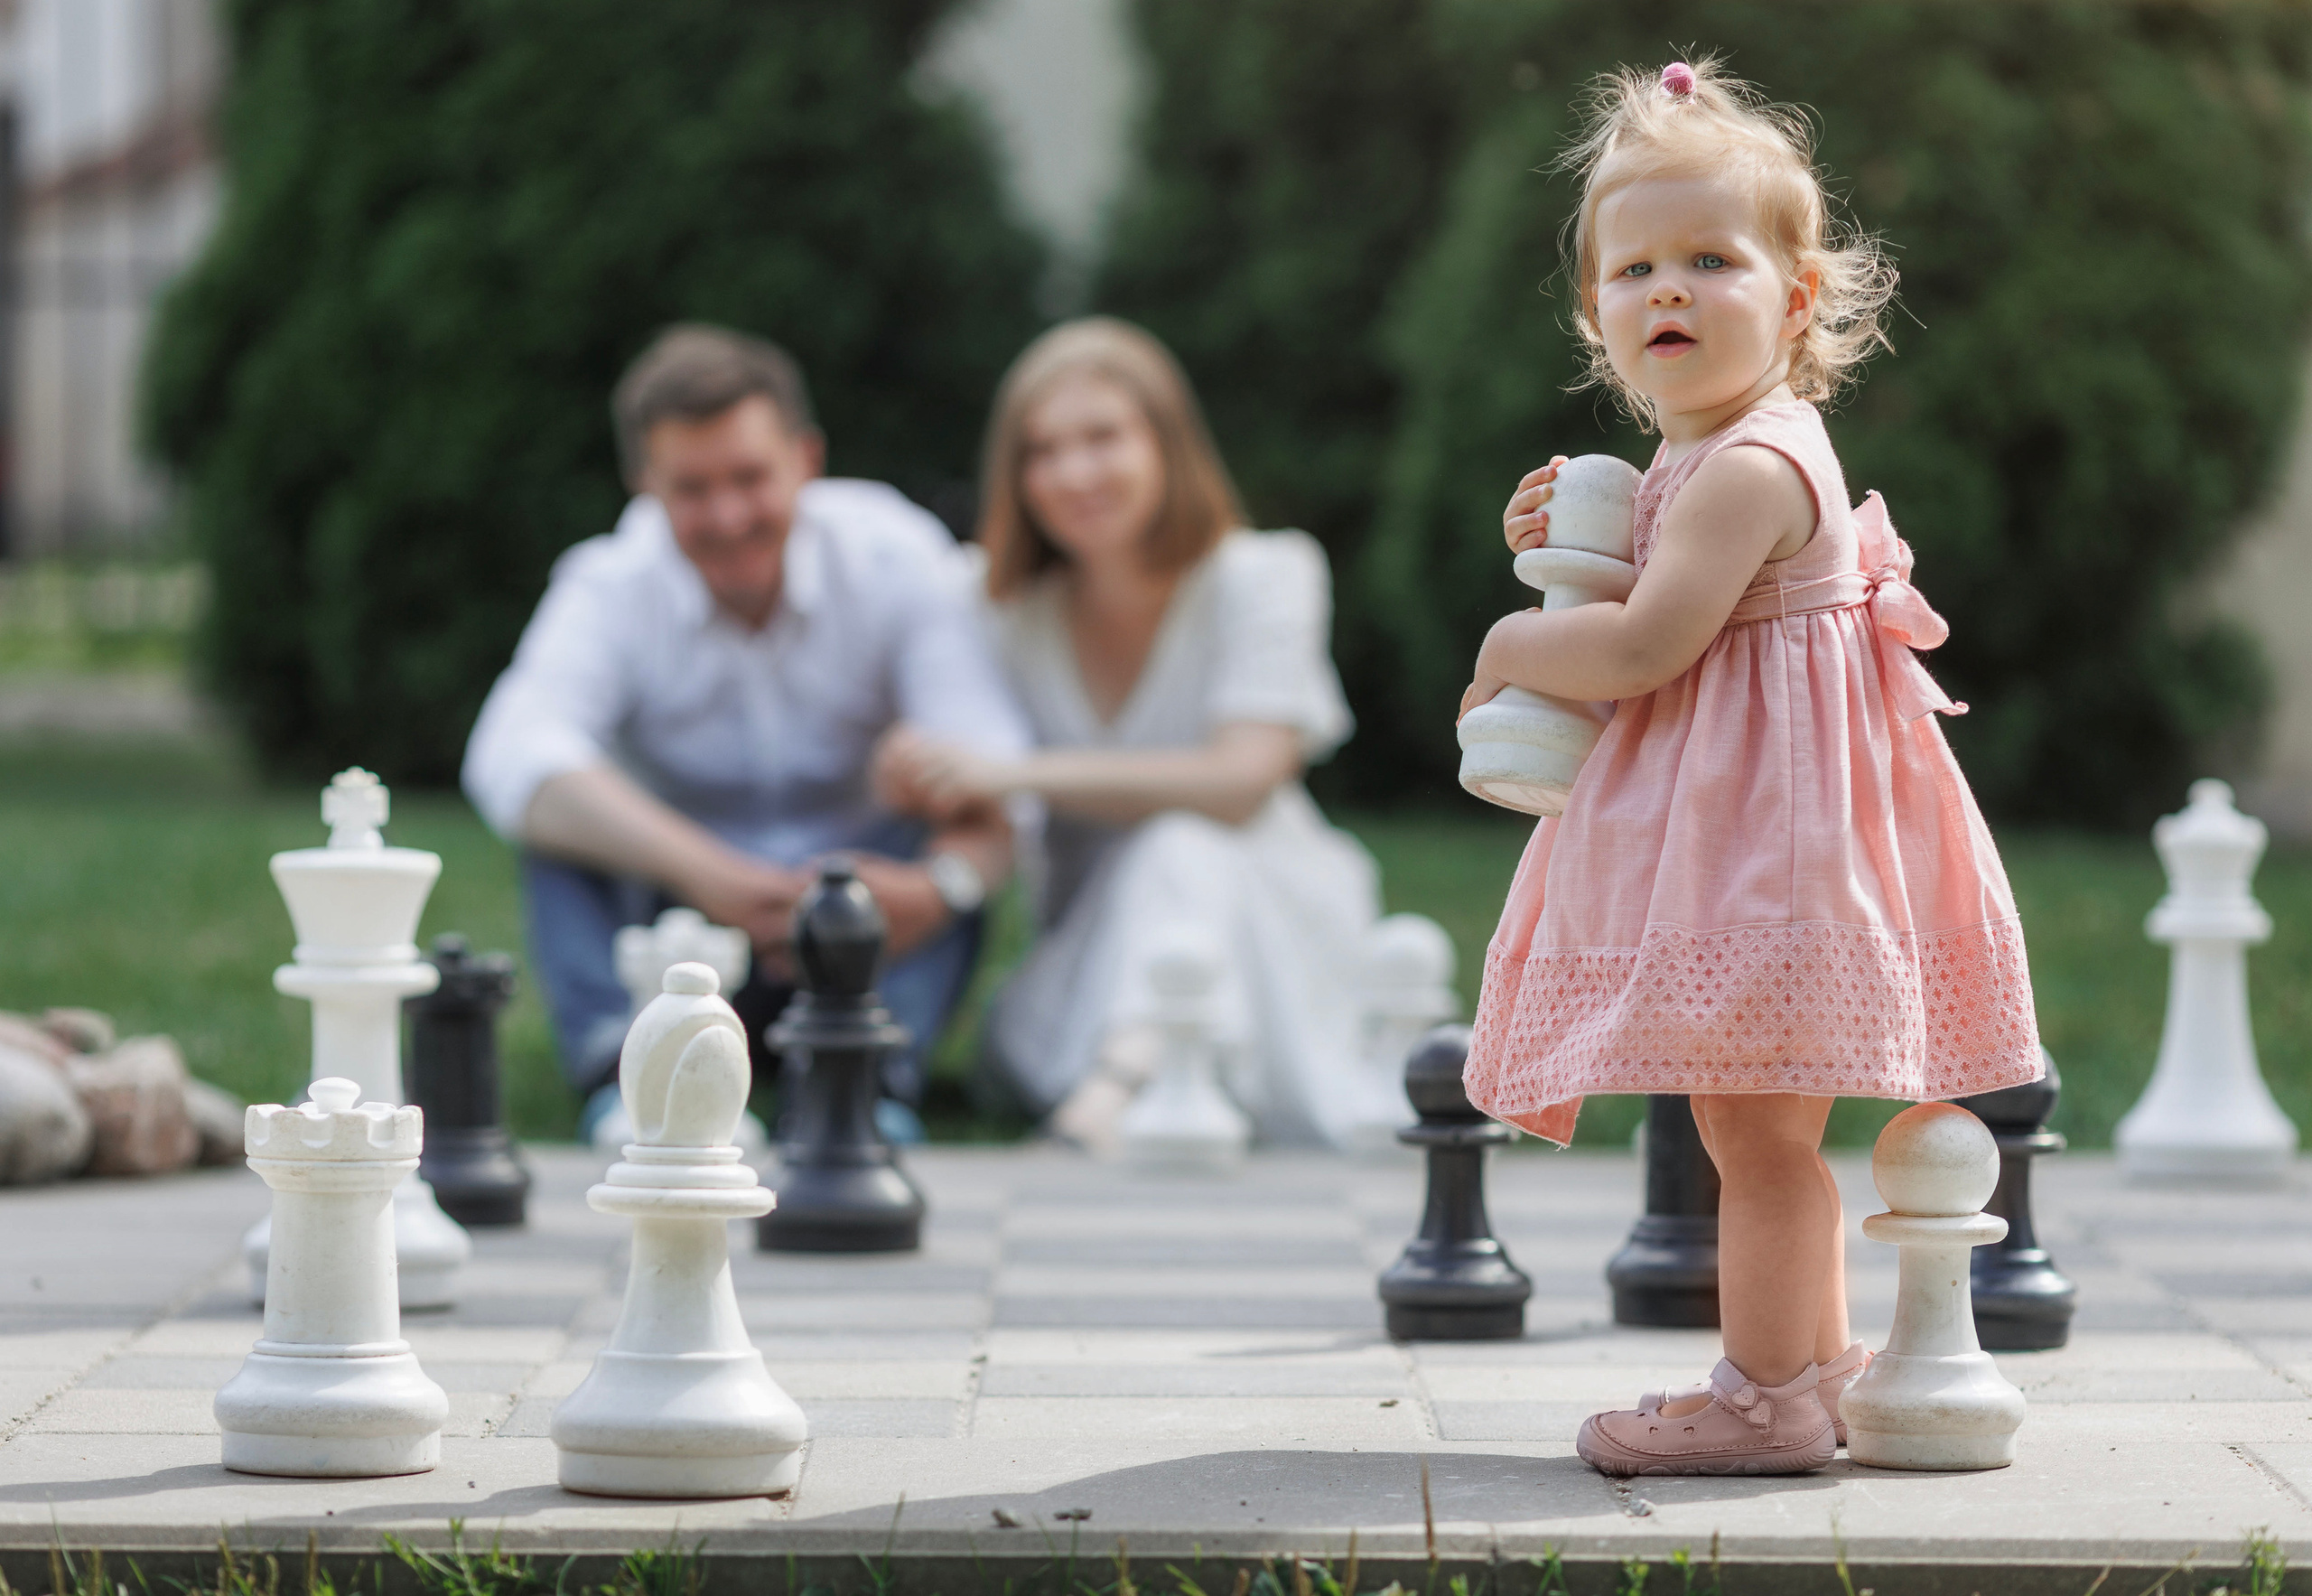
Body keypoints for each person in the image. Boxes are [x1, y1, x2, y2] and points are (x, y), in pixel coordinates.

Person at [1459, 61, 2040, 1476]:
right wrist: (1561, 542)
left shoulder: (1746, 466)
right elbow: (1640, 589)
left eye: (1711, 260)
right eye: (1634, 267)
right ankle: (1810, 1368)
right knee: (1760, 1122)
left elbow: (1652, 643)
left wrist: (1508, 643)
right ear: (1596, 313)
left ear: (1794, 300)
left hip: (1777, 851)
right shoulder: (1712, 450)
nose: (1668, 289)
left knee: (1760, 1129)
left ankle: (1767, 1390)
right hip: (1774, 833)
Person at [461, 324, 1028, 1141]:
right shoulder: (609, 583)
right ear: (644, 482)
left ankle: (868, 1090)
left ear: (807, 458)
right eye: (692, 488)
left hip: (863, 923)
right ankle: (622, 1080)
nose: (727, 515)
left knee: (952, 852)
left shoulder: (895, 557)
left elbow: (997, 769)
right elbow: (512, 756)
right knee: (561, 827)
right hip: (684, 925)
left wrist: (941, 891)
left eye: (751, 477)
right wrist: (713, 877)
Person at [875, 317, 1396, 1149]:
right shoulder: (995, 605)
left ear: (1167, 444)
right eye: (1041, 451)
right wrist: (912, 762)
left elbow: (1241, 780)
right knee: (1057, 999)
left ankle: (1120, 1081)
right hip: (1088, 942)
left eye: (1102, 438)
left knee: (1183, 845)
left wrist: (1012, 775)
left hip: (1271, 924)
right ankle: (1142, 1068)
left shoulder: (1266, 576)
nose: (1072, 472)